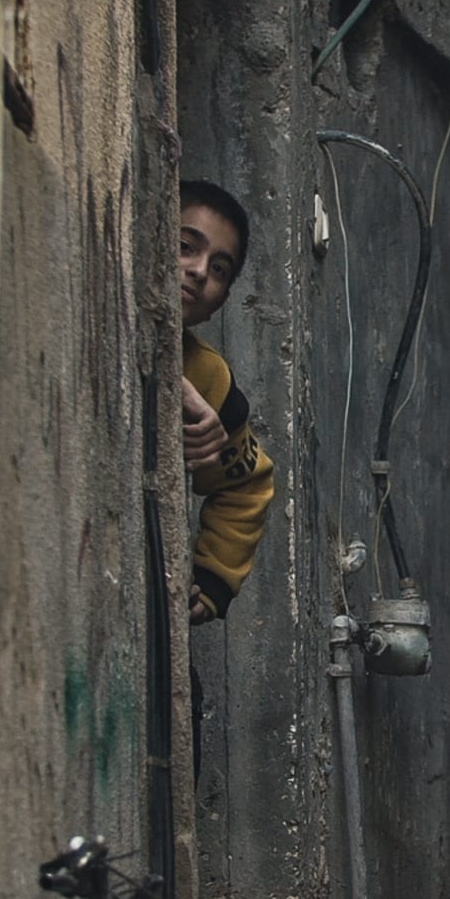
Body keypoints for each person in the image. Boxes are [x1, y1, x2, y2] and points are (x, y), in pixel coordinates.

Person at [176, 178, 276, 625]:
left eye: (219, 269)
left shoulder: (210, 379)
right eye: (184, 246)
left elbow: (248, 484)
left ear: (222, 302)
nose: (198, 271)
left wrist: (213, 578)